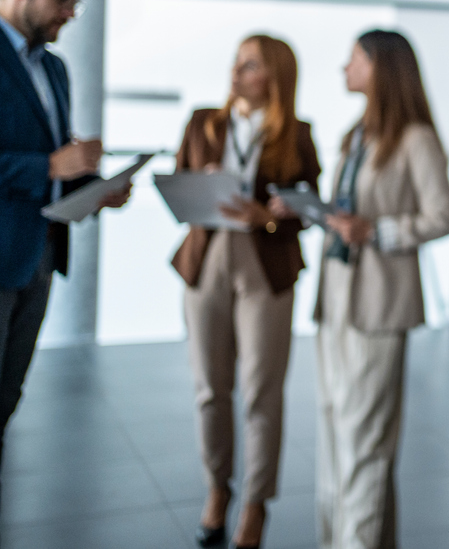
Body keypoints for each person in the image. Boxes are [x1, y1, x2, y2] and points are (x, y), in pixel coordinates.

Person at [172, 34, 321, 549]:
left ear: (275, 76)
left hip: (265, 263)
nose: (236, 73)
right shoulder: (202, 122)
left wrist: (269, 216)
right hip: (207, 256)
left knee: (262, 390)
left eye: (251, 65)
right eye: (237, 63)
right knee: (209, 387)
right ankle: (218, 489)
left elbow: (307, 208)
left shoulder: (297, 134)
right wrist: (202, 184)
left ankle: (255, 502)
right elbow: (179, 183)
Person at [311, 30, 449, 549]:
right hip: (336, 297)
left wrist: (376, 231)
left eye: (354, 59)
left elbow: (444, 216)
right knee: (335, 431)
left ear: (381, 68)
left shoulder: (415, 138)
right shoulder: (357, 136)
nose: (344, 68)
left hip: (378, 303)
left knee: (365, 442)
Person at [0, 0, 129, 482]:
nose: (71, 14)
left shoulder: (54, 69)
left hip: (40, 256)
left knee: (7, 396)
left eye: (77, 3)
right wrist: (50, 165)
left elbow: (57, 159)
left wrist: (94, 188)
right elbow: (44, 161)